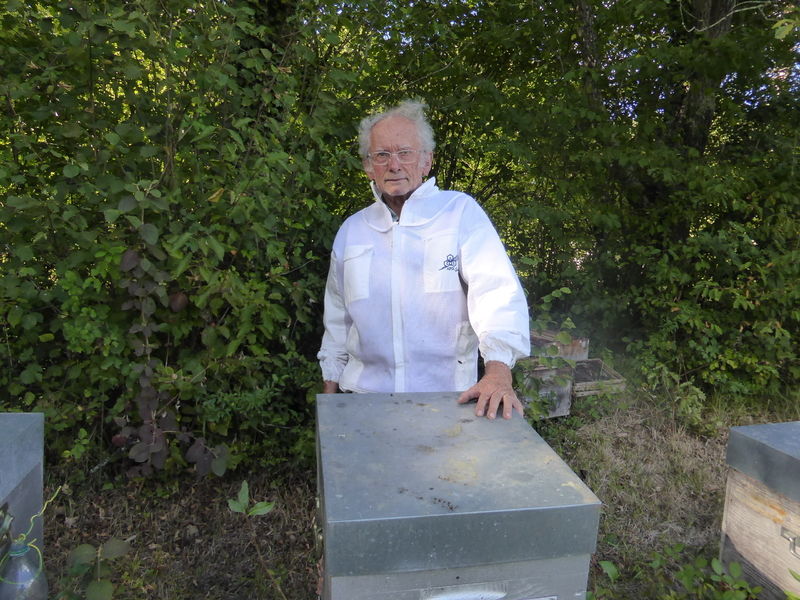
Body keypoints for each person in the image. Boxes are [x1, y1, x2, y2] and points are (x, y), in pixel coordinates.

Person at [317, 100, 530, 419]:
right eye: (382, 155)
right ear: (368, 165)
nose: (394, 165)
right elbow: (337, 320)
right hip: (363, 398)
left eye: (405, 152)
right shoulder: (352, 231)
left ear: (427, 161)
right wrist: (330, 404)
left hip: (448, 398)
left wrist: (498, 372)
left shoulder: (459, 213)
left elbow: (497, 294)